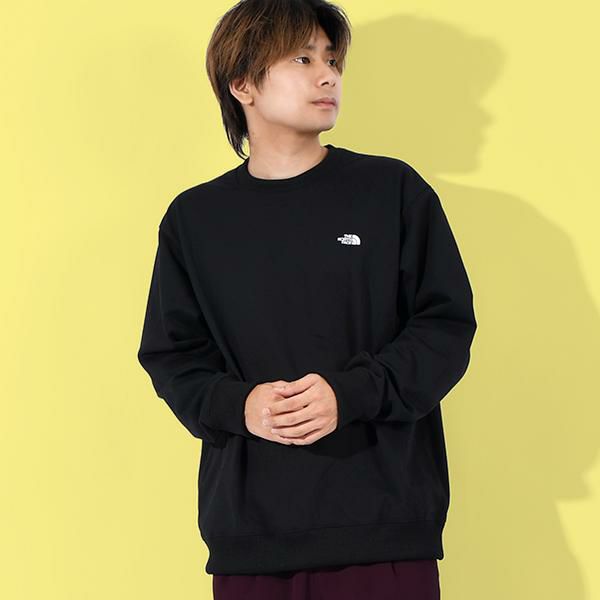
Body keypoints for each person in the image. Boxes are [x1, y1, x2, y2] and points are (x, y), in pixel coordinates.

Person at [137, 0, 477, 598]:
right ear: (242, 84)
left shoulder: (392, 190)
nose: (328, 76)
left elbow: (445, 328)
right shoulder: (195, 219)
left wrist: (350, 394)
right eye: (302, 59)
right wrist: (241, 406)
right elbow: (173, 356)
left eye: (332, 60)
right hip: (251, 538)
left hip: (384, 529)